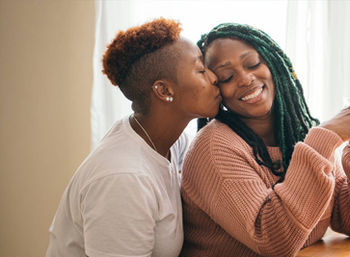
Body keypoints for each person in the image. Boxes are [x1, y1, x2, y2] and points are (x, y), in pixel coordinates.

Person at [180, 23, 350, 257]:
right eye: (227, 76)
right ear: (217, 89)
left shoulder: (299, 134)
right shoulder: (214, 147)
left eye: (253, 64)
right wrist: (325, 137)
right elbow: (274, 242)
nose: (245, 79)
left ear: (274, 63)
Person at [46, 18, 221, 257]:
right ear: (164, 90)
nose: (213, 78)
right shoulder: (124, 178)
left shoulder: (170, 141)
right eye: (200, 70)